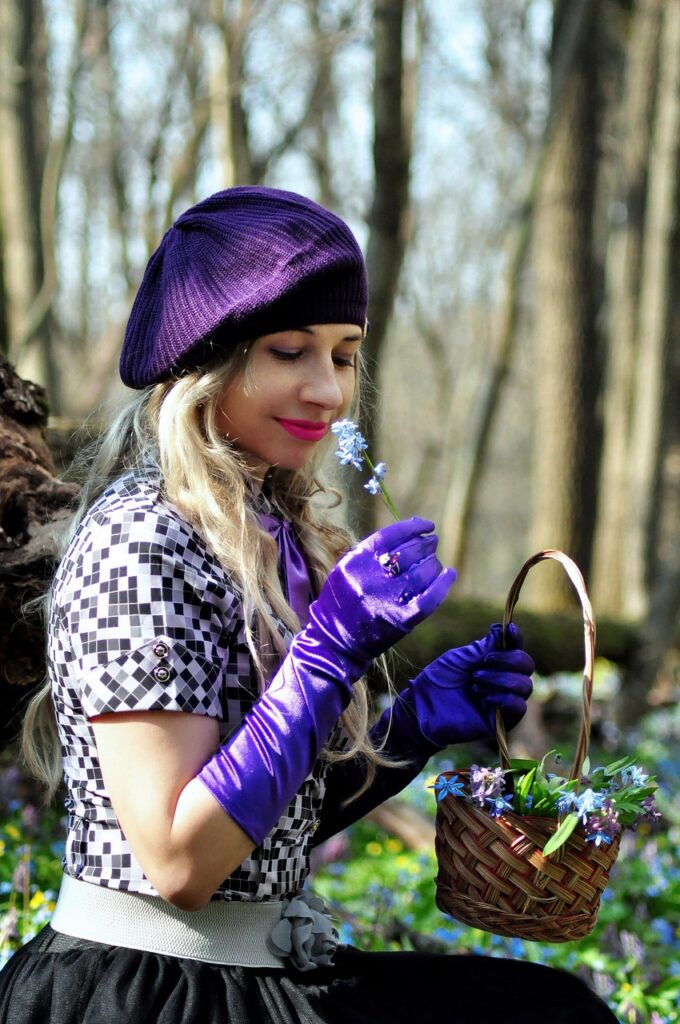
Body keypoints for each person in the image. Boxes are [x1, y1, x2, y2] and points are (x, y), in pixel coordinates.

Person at [0, 187, 617, 1024]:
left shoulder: (267, 529)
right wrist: (327, 657)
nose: (328, 391)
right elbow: (182, 860)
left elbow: (272, 820)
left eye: (345, 353)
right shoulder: (141, 541)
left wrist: (414, 726)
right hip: (152, 988)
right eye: (290, 350)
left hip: (257, 970)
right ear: (204, 359)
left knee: (550, 1007)